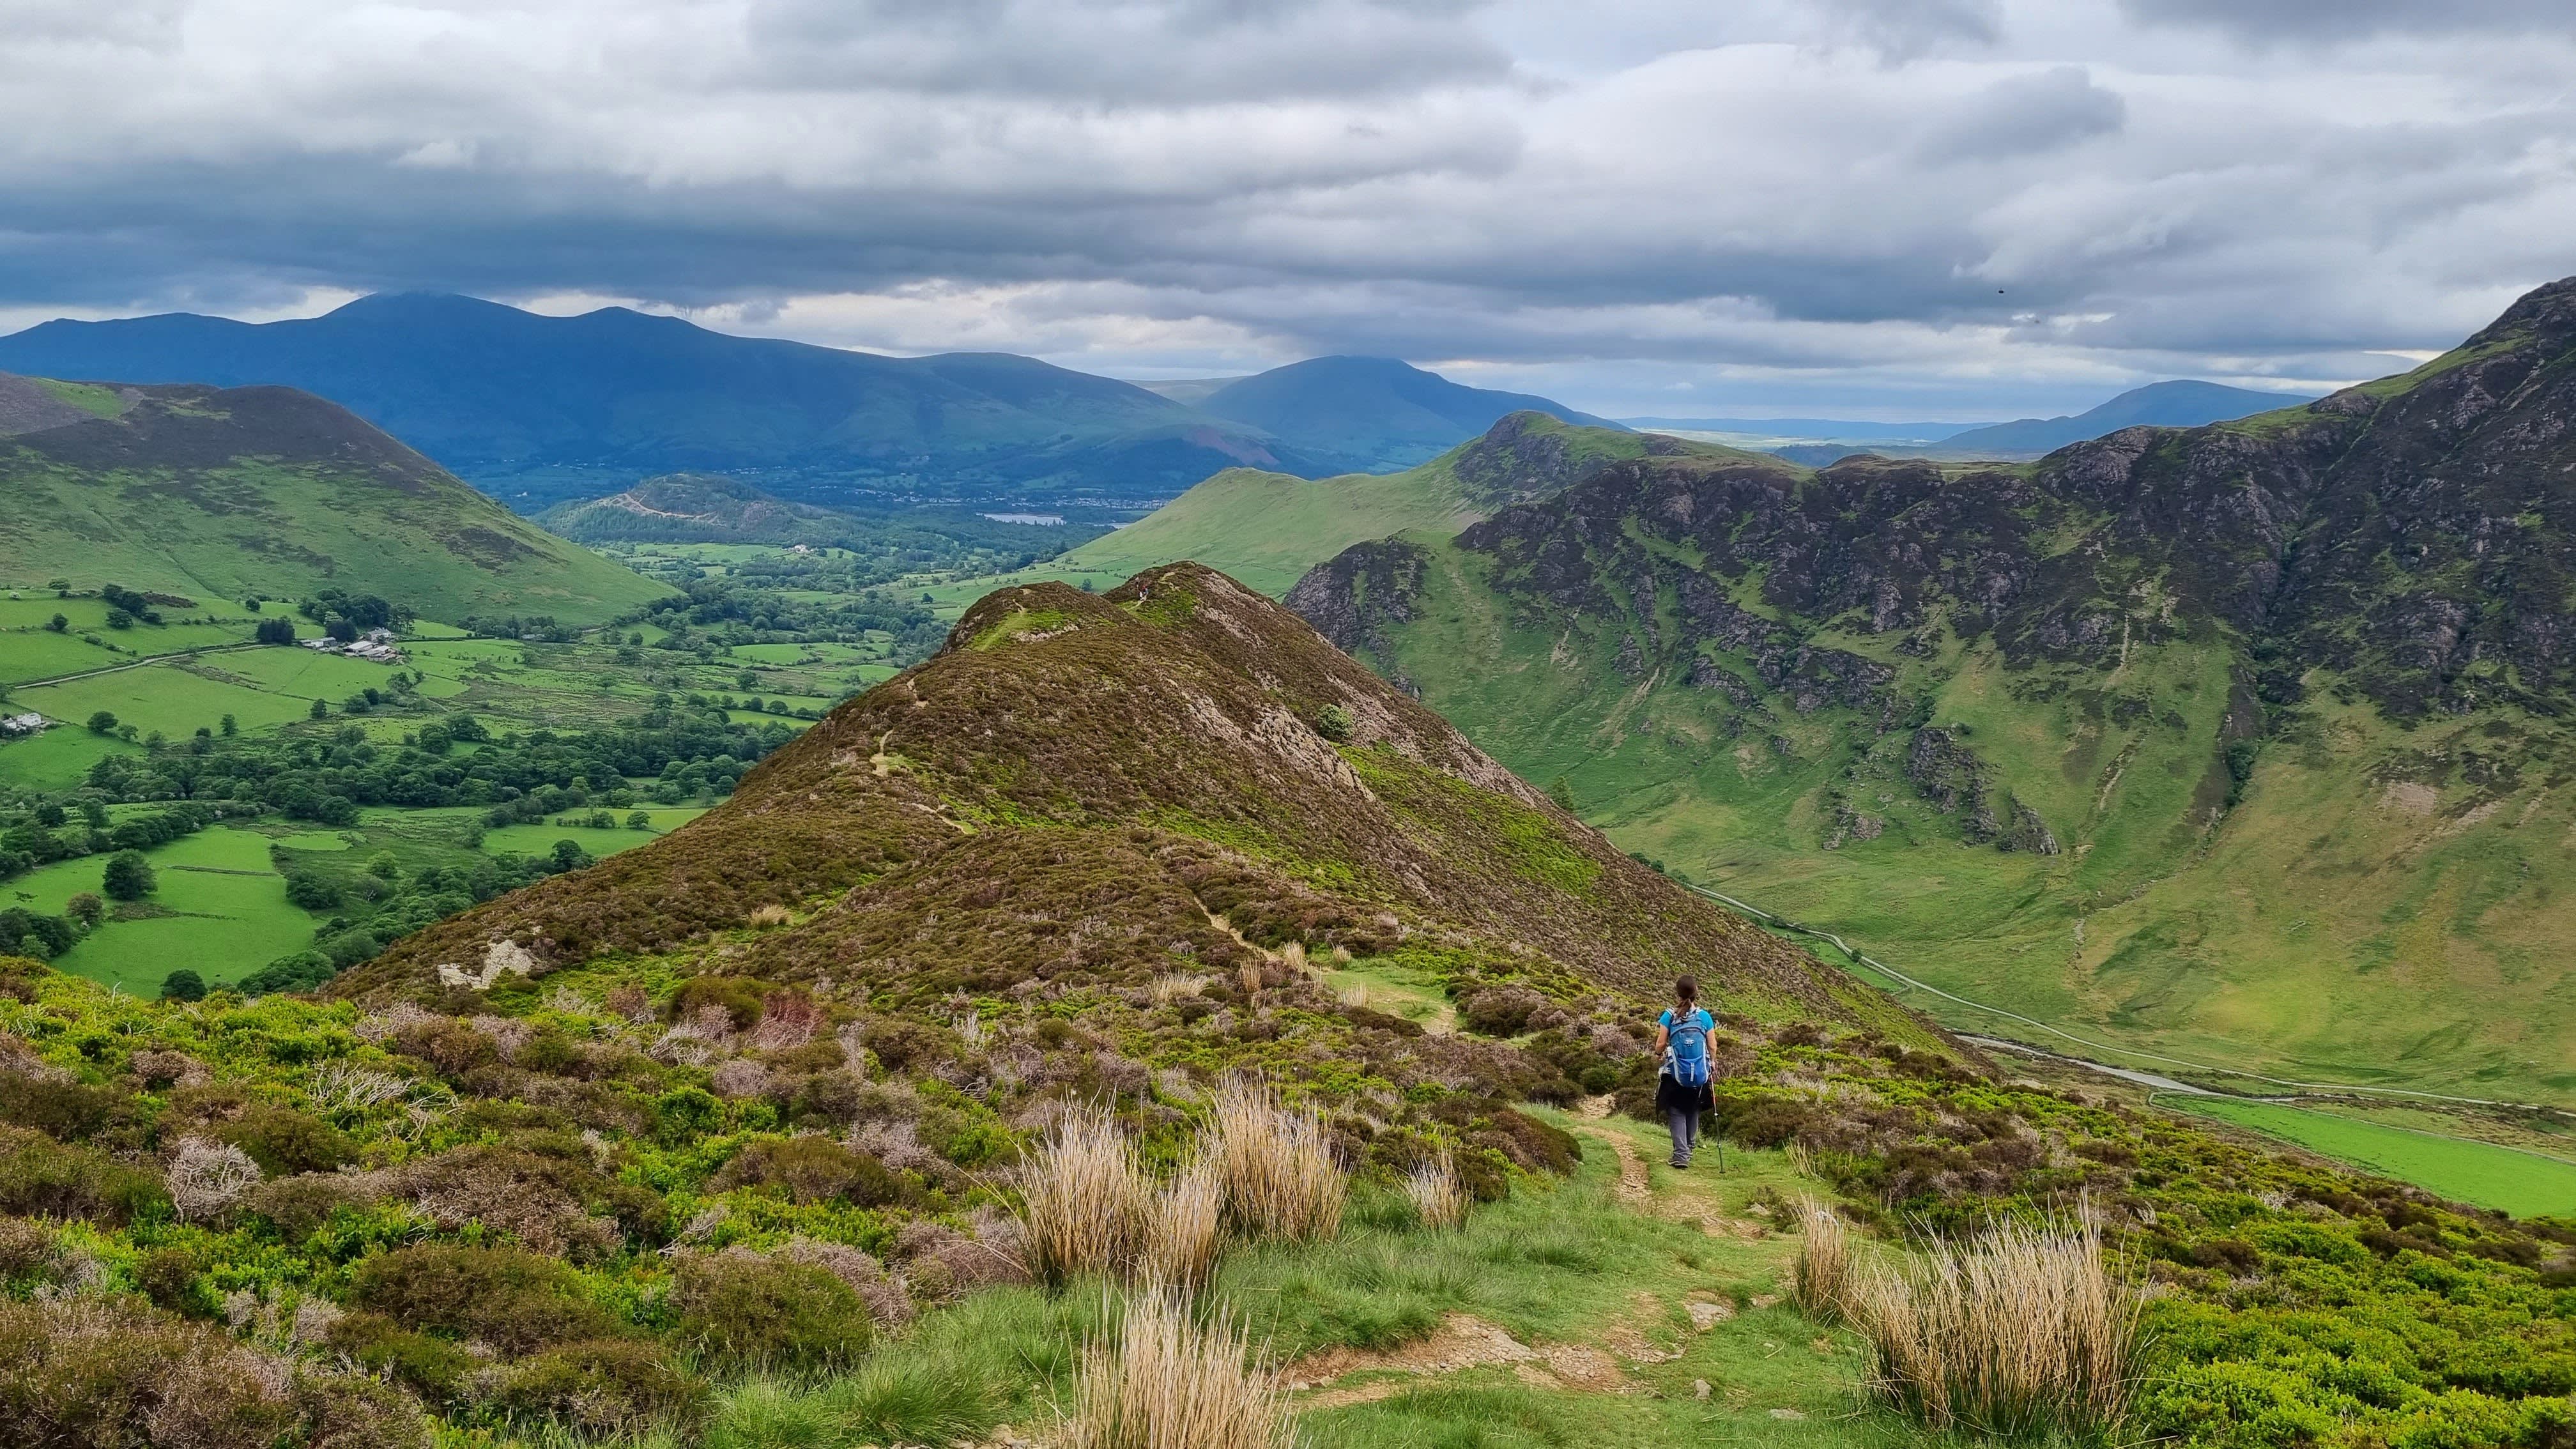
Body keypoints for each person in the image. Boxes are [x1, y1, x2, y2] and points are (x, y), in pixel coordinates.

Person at [1654, 976, 1717, 1169]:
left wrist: (1658, 1053)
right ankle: (1688, 1147)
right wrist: (1712, 1062)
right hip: (1699, 1072)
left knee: (1676, 1109)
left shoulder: (1669, 1016)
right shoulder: (1704, 1016)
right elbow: (1712, 1045)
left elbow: (1661, 1044)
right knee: (1693, 1106)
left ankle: (1681, 1155)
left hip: (1676, 1072)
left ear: (1677, 993)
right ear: (1696, 993)